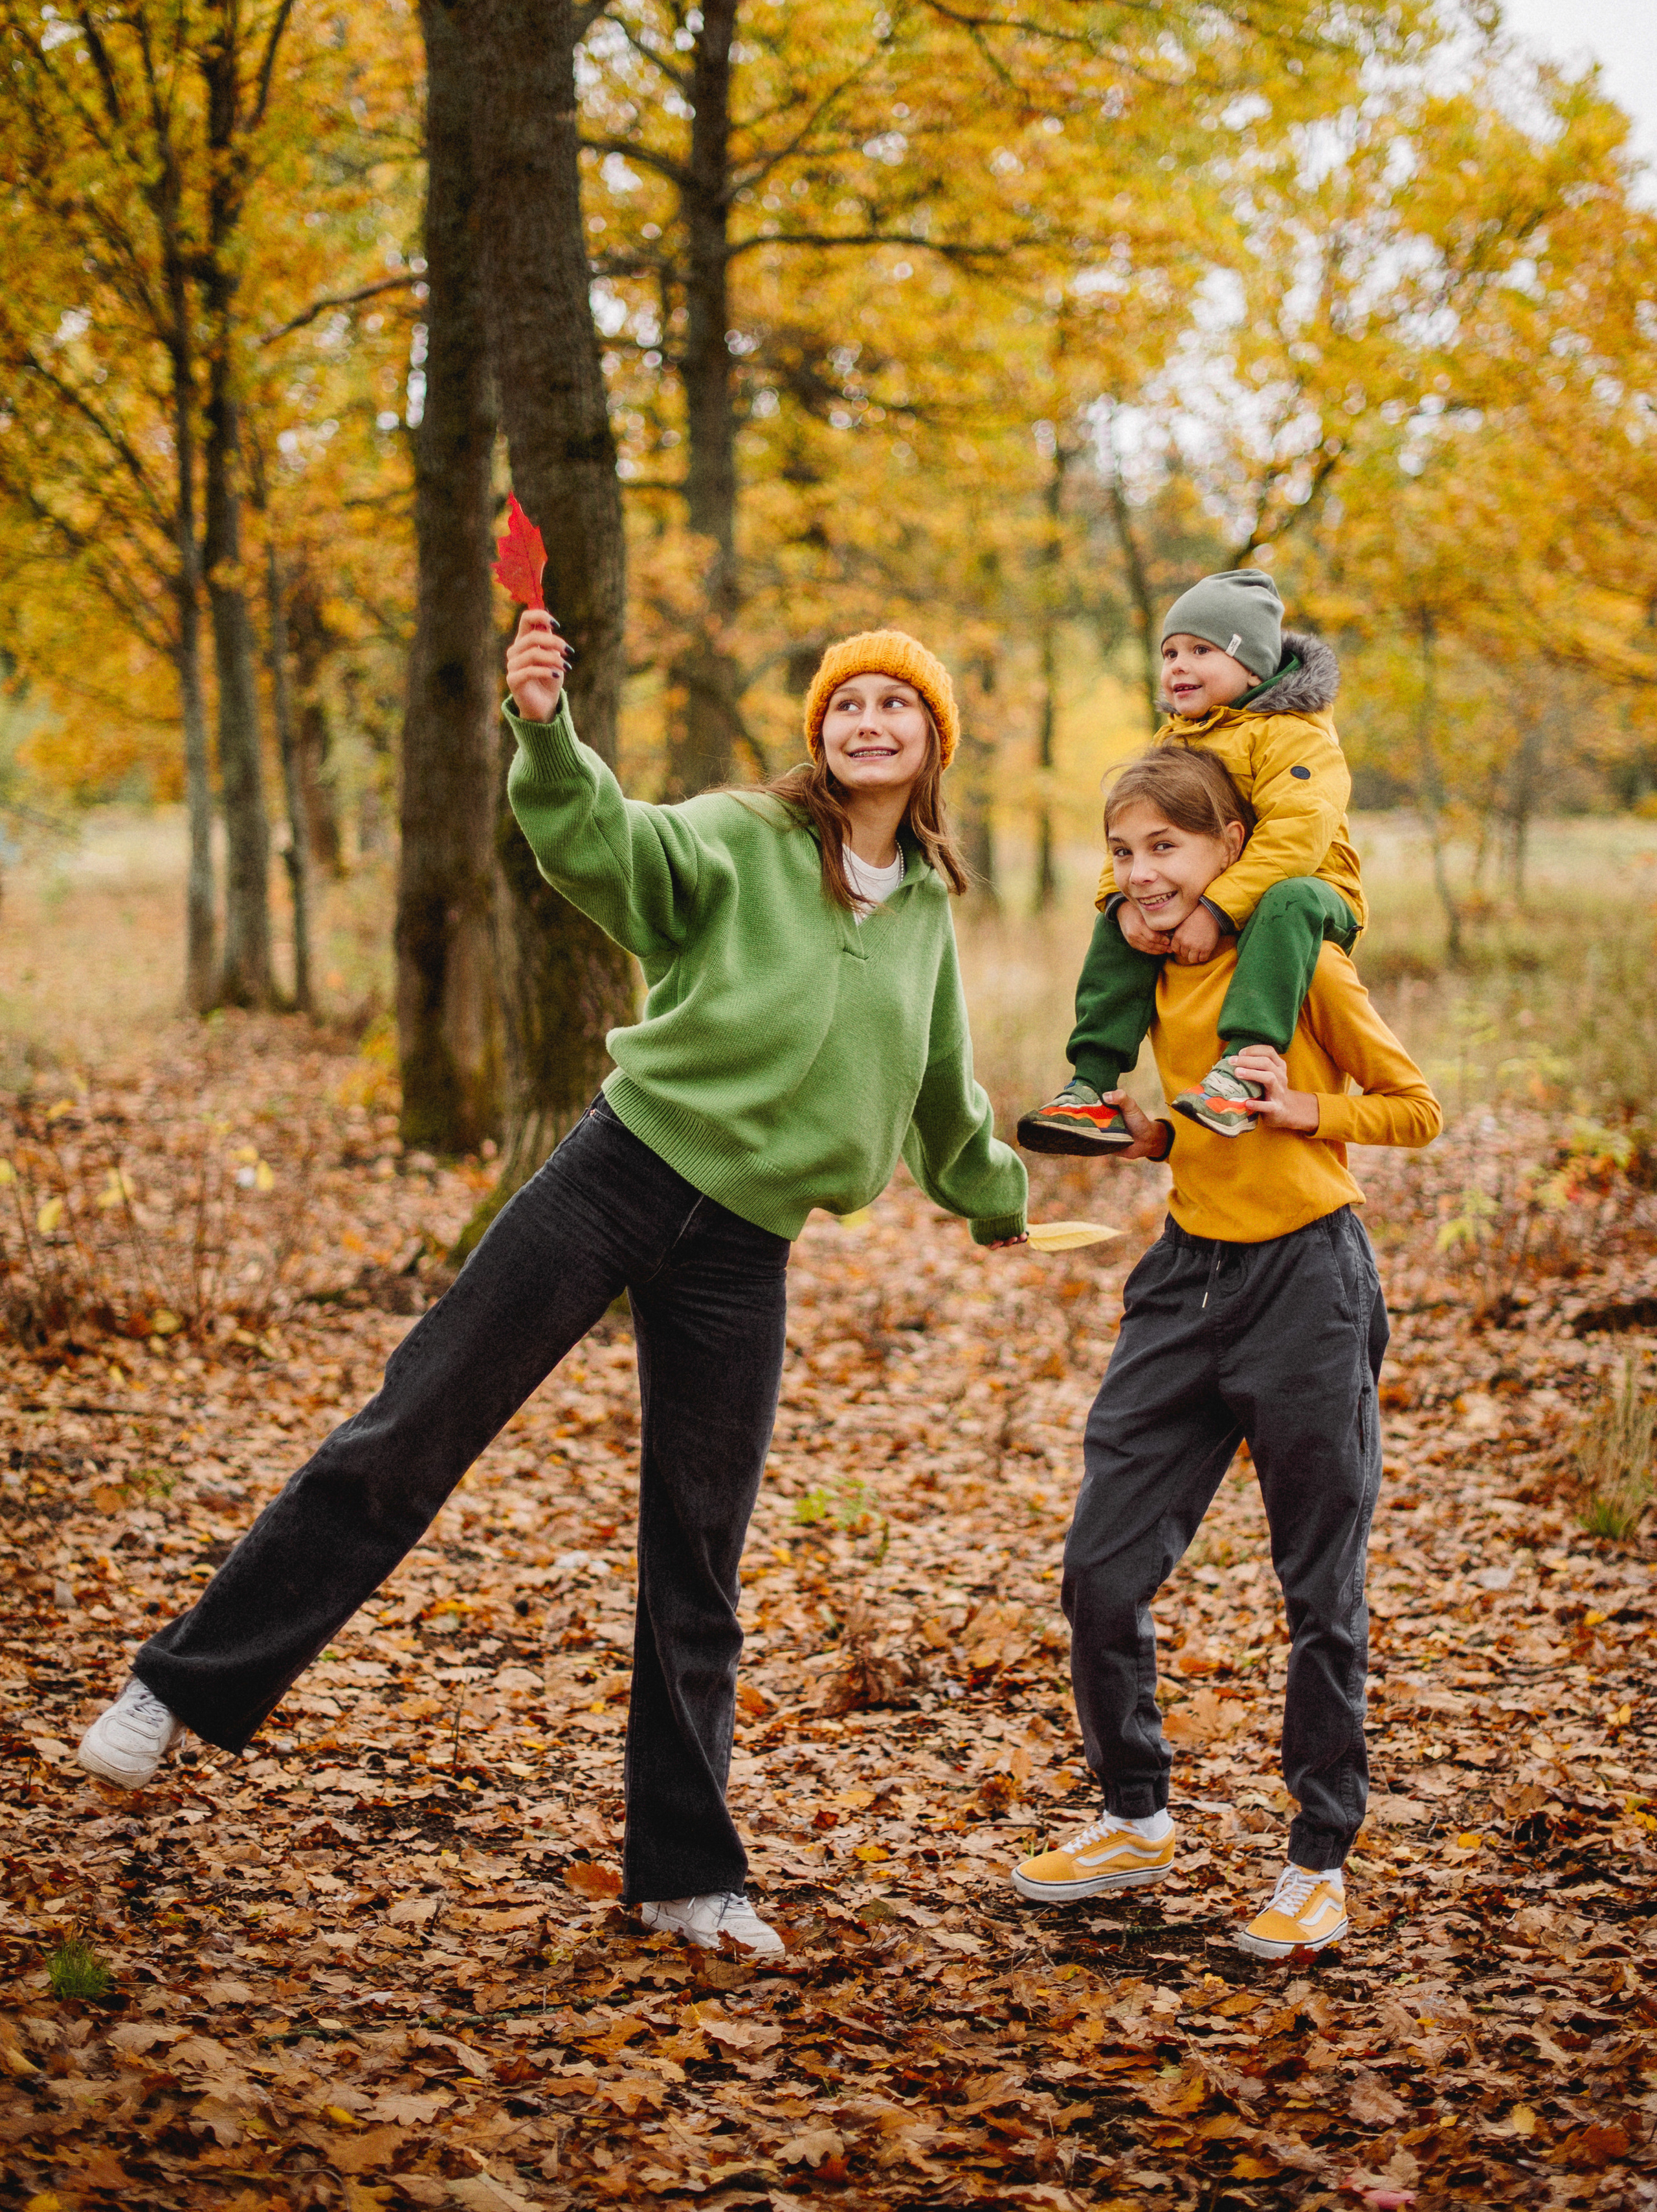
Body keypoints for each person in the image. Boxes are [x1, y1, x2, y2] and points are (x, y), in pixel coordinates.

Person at [76, 619, 1028, 1959]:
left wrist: (995, 1200)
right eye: (846, 703)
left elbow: (939, 1083)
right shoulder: (744, 835)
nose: (868, 722)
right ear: (819, 731)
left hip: (745, 1247)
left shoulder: (925, 902)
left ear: (931, 742)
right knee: (410, 1432)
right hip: (616, 1174)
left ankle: (684, 1874)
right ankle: (174, 1686)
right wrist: (544, 729)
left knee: (700, 1548)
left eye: (896, 707)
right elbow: (613, 845)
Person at [1010, 747, 1440, 1960]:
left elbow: (1416, 1105)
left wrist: (1310, 1107)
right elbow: (1200, 1127)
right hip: (1184, 1282)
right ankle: (1136, 1812)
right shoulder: (1146, 970)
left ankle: (1318, 1861)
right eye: (1126, 851)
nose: (1142, 874)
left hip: (1310, 1284)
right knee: (1101, 1567)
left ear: (1231, 850)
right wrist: (1149, 1133)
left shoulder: (1303, 960)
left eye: (1167, 847)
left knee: (1319, 1589)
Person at [1018, 567, 1366, 1153]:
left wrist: (1215, 909)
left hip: (1309, 901)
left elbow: (1295, 839)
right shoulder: (1173, 740)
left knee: (1290, 897)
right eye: (1170, 652)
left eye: (1200, 650)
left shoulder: (1296, 736)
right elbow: (1129, 826)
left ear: (1252, 664)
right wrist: (1119, 899)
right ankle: (1091, 1086)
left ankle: (1242, 1070)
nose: (1177, 665)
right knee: (1124, 922)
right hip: (1211, 895)